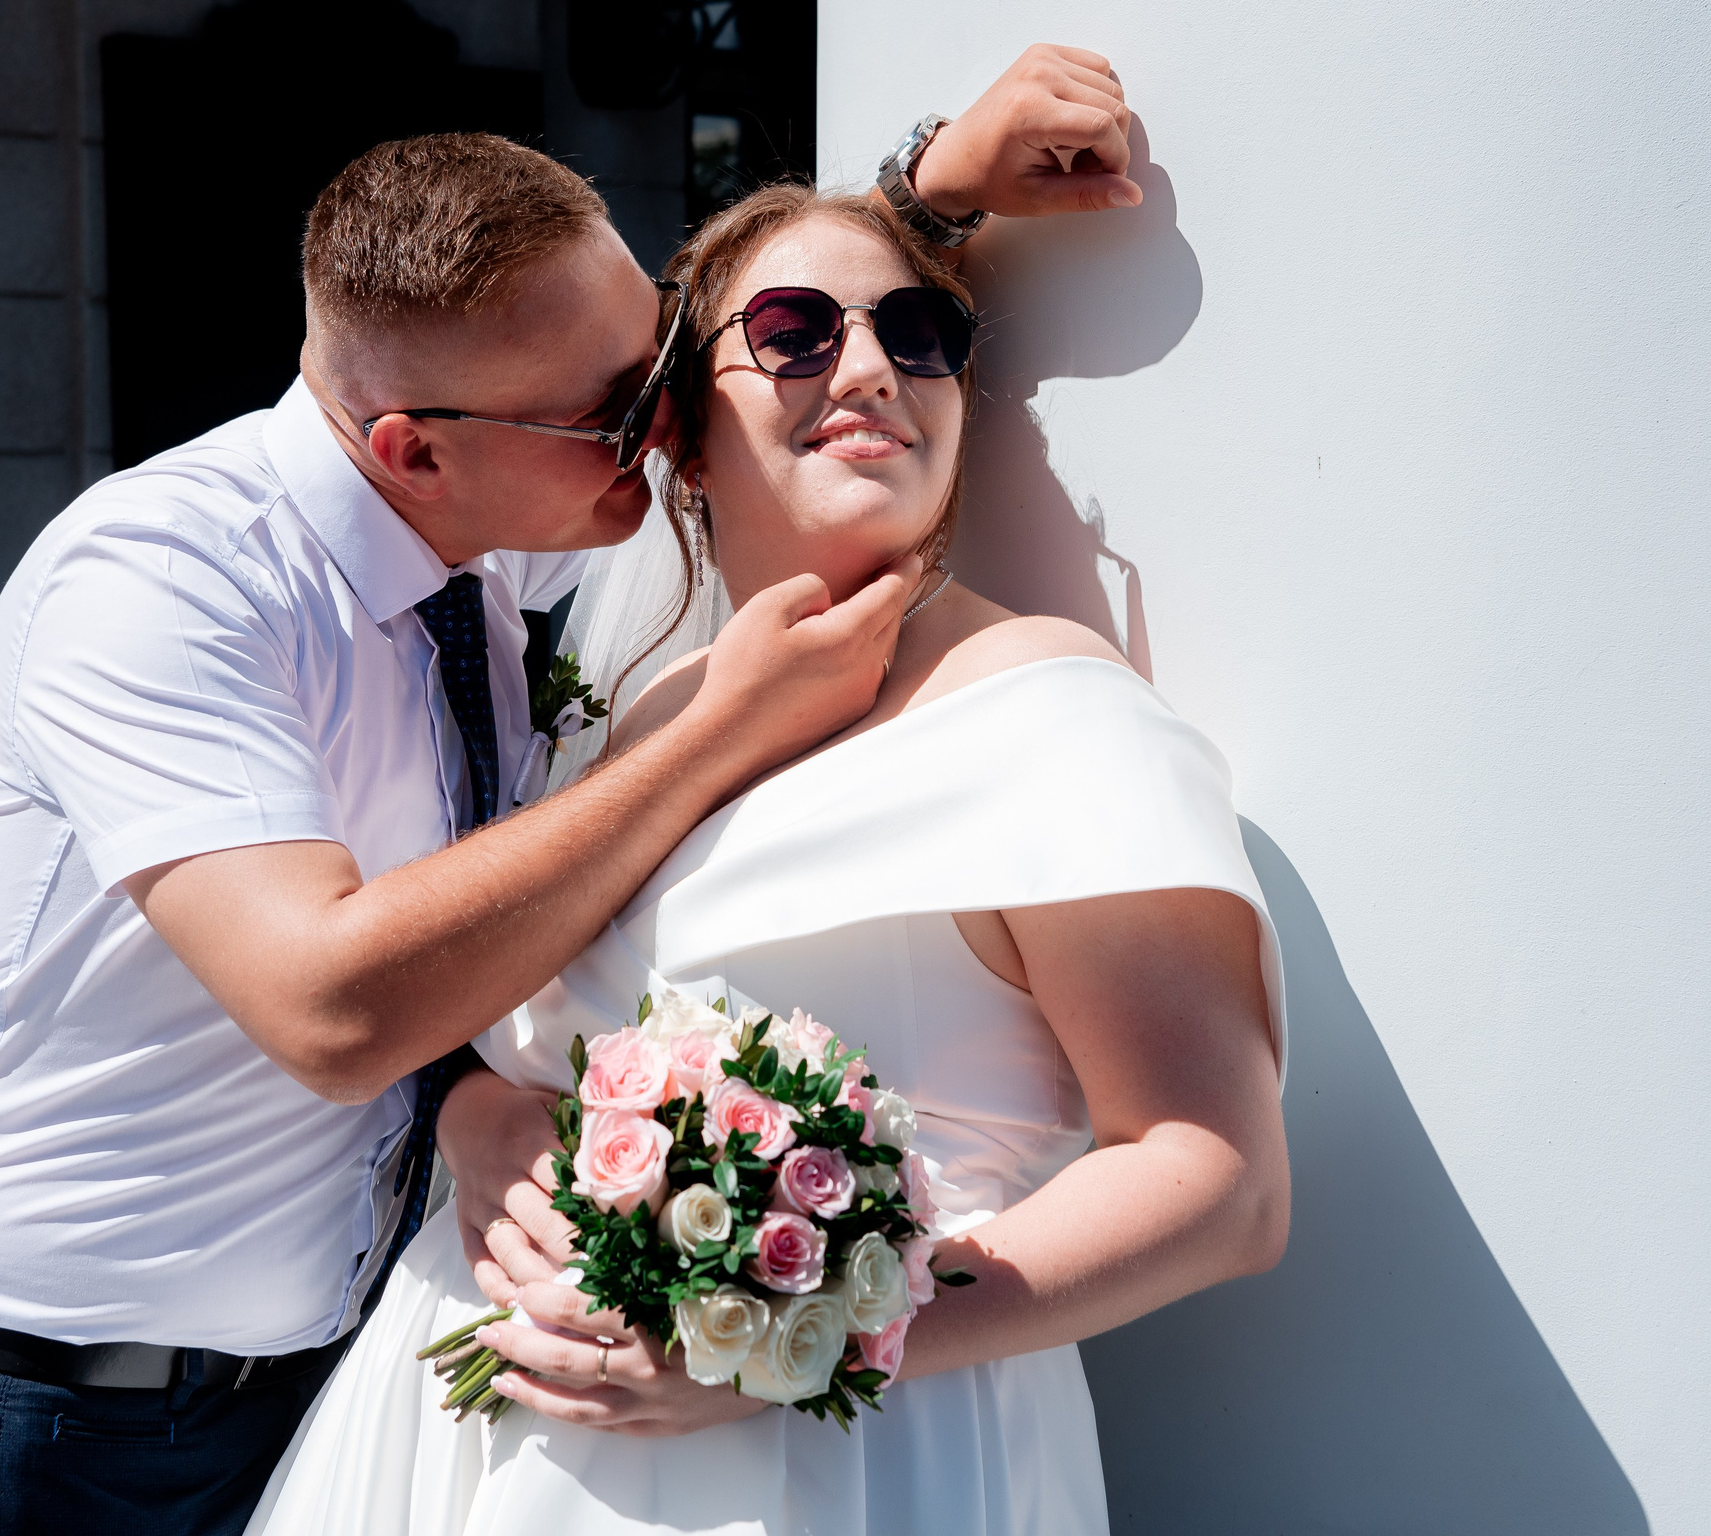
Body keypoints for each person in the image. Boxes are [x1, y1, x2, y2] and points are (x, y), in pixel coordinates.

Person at [0, 47, 1144, 1535]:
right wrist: (718, 732)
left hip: (336, 1362)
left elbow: (769, 350)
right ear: (413, 451)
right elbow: (334, 1007)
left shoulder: (512, 502)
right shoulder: (154, 585)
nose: (658, 429)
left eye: (660, 364)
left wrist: (927, 191)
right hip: (67, 1417)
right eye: (617, 409)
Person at [248, 178, 1289, 1535]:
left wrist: (807, 1333)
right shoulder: (643, 707)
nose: (868, 366)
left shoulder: (1054, 718)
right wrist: (483, 1116)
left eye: (919, 331)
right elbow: (524, 1022)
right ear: (677, 428)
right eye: (794, 330)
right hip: (470, 1437)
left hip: (848, 1466)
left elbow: (1220, 1179)